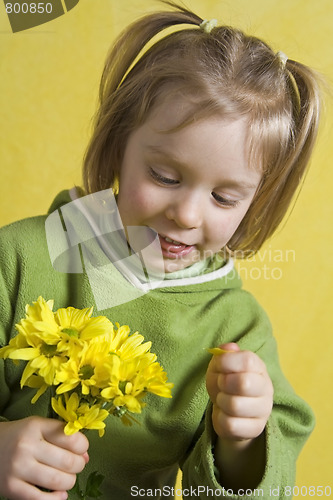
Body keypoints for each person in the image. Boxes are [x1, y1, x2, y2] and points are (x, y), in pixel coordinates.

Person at [0, 2, 322, 499]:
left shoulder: (236, 328)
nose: (187, 215)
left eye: (223, 197)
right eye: (165, 177)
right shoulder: (20, 260)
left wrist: (241, 441)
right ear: (117, 147)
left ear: (257, 202)